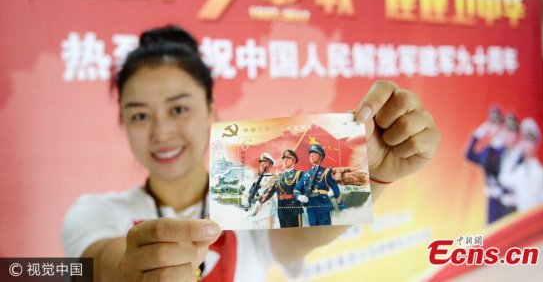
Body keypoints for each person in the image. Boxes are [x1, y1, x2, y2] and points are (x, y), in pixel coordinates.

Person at [62, 26, 441, 281]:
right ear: (124, 123)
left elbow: (300, 236)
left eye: (179, 109)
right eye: (140, 115)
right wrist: (127, 268)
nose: (161, 133)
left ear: (211, 110)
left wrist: (370, 174)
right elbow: (95, 262)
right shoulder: (95, 211)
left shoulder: (248, 197)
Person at [465, 108, 519, 223]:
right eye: (491, 123)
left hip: (506, 200)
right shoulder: (487, 151)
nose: (494, 127)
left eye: (497, 123)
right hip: (492, 200)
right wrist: (479, 133)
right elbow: (469, 155)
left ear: (502, 126)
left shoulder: (505, 149)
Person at [499, 117, 543, 212]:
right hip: (523, 220)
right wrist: (517, 150)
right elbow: (503, 179)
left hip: (538, 220)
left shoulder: (542, 172)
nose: (527, 144)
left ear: (536, 143)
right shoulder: (519, 172)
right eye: (525, 140)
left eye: (530, 140)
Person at [293, 144, 345, 226]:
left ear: (320, 157)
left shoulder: (327, 172)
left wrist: (342, 207)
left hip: (323, 207)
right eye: (310, 153)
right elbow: (296, 189)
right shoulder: (305, 174)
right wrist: (299, 196)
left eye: (314, 153)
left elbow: (336, 190)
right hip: (311, 208)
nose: (311, 155)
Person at [257, 149, 304, 228]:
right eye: (284, 159)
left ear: (294, 160)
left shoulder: (299, 174)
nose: (285, 160)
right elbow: (269, 190)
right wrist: (259, 200)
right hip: (281, 211)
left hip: (293, 210)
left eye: (288, 158)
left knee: (296, 236)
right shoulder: (280, 177)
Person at [241, 153, 278, 229]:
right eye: (261, 162)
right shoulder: (256, 179)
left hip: (266, 213)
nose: (262, 164)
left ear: (271, 165)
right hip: (254, 213)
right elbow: (247, 192)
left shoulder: (274, 179)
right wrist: (245, 201)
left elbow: (270, 192)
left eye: (264, 162)